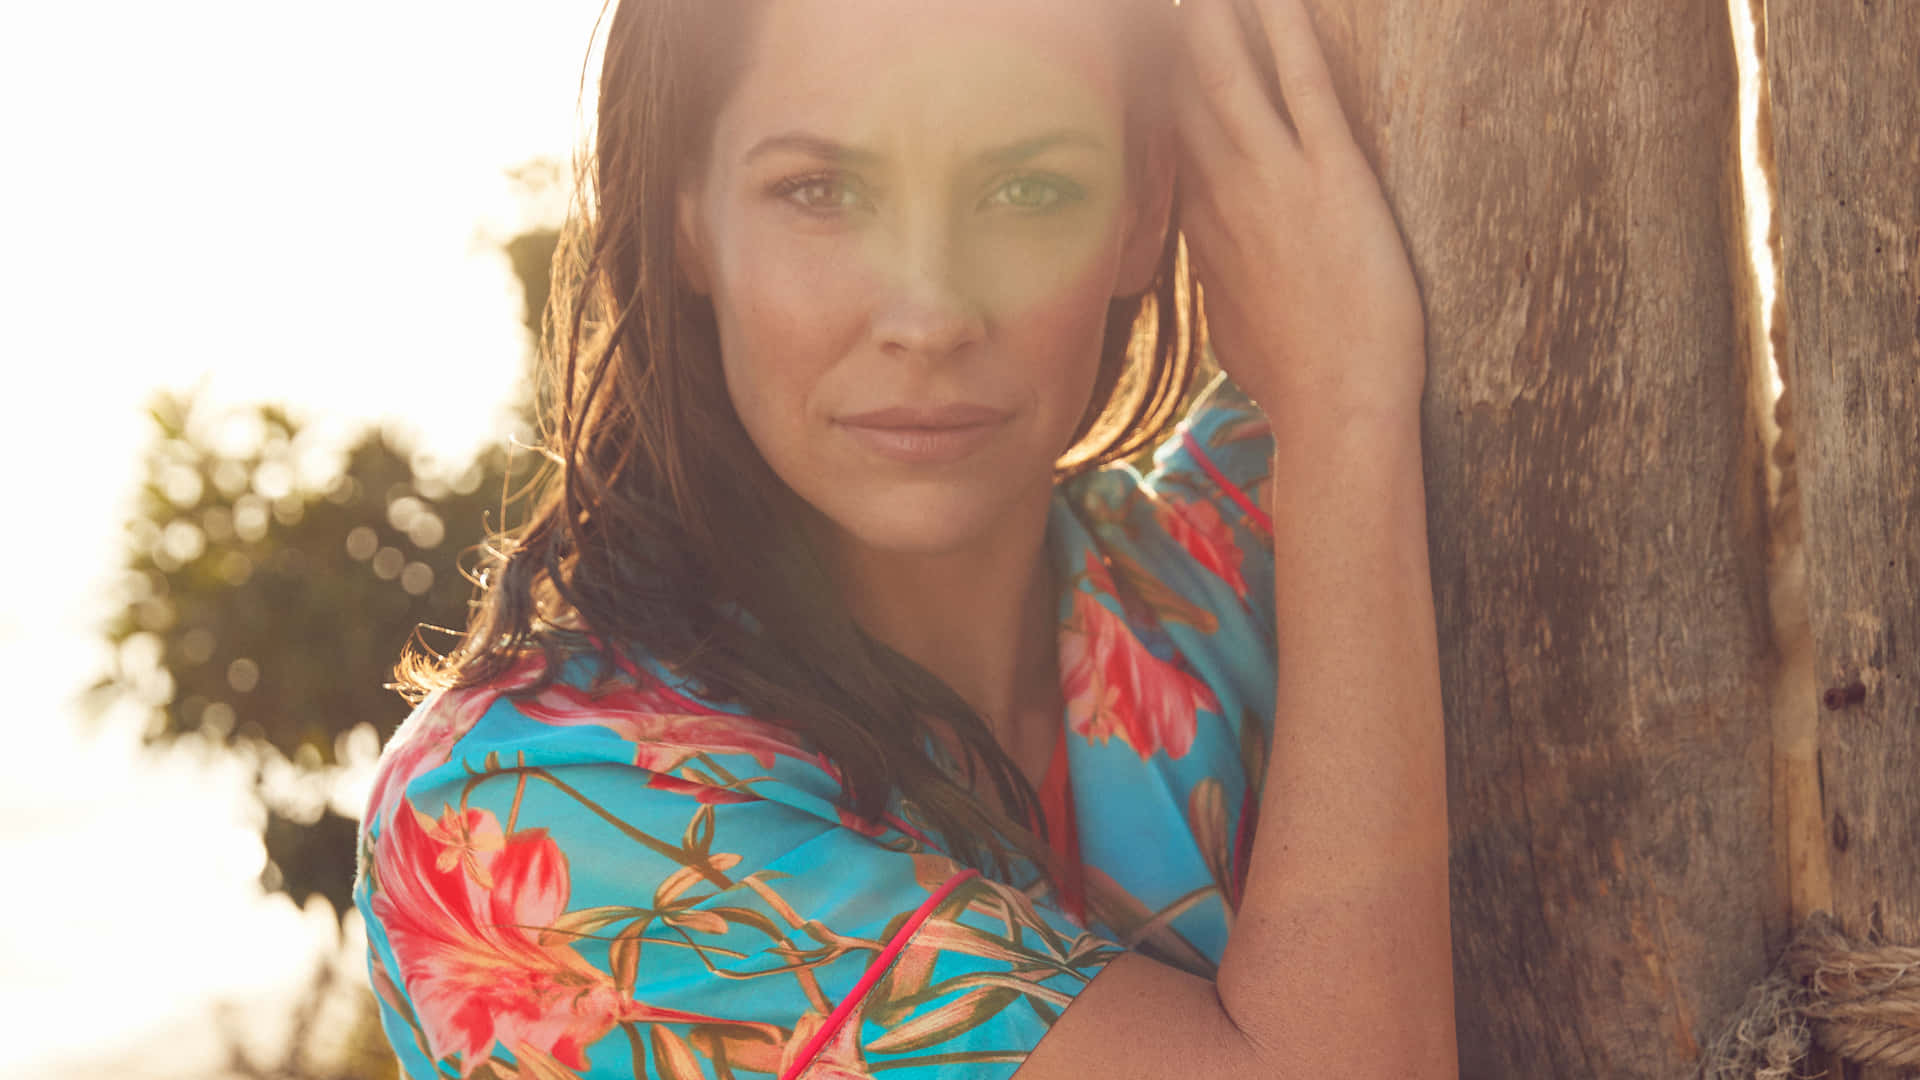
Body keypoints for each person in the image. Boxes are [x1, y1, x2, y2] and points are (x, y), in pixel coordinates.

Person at [352, 0, 1453, 1075]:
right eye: (820, 191)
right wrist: (1349, 406)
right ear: (687, 211)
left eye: (1028, 187)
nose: (930, 314)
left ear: (1143, 207)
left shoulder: (1243, 556)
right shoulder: (528, 810)